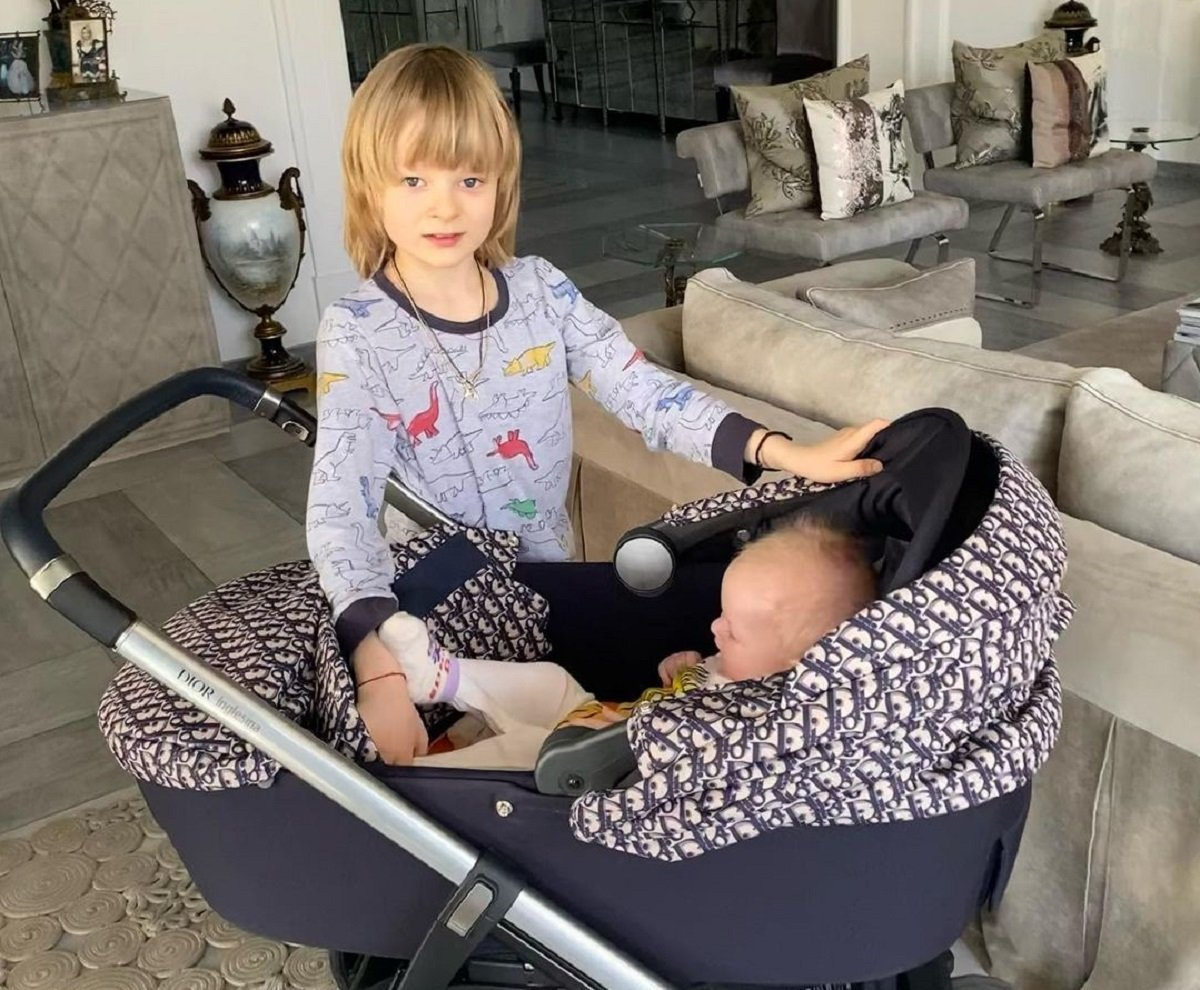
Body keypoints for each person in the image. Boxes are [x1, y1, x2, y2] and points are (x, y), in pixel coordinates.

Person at [306, 43, 888, 765]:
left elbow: (640, 387)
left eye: (470, 178)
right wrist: (378, 670)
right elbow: (341, 509)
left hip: (545, 582)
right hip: (431, 604)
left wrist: (779, 451)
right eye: (414, 178)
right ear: (369, 185)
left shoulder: (541, 291)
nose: (445, 206)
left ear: (501, 183)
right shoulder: (358, 330)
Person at [372, 517, 879, 771]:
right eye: (722, 615)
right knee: (551, 681)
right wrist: (685, 667)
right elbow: (696, 678)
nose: (715, 629)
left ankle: (419, 777)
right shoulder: (744, 662)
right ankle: (440, 677)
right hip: (597, 717)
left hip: (596, 765)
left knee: (529, 749)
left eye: (734, 630)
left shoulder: (761, 726)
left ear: (797, 665)